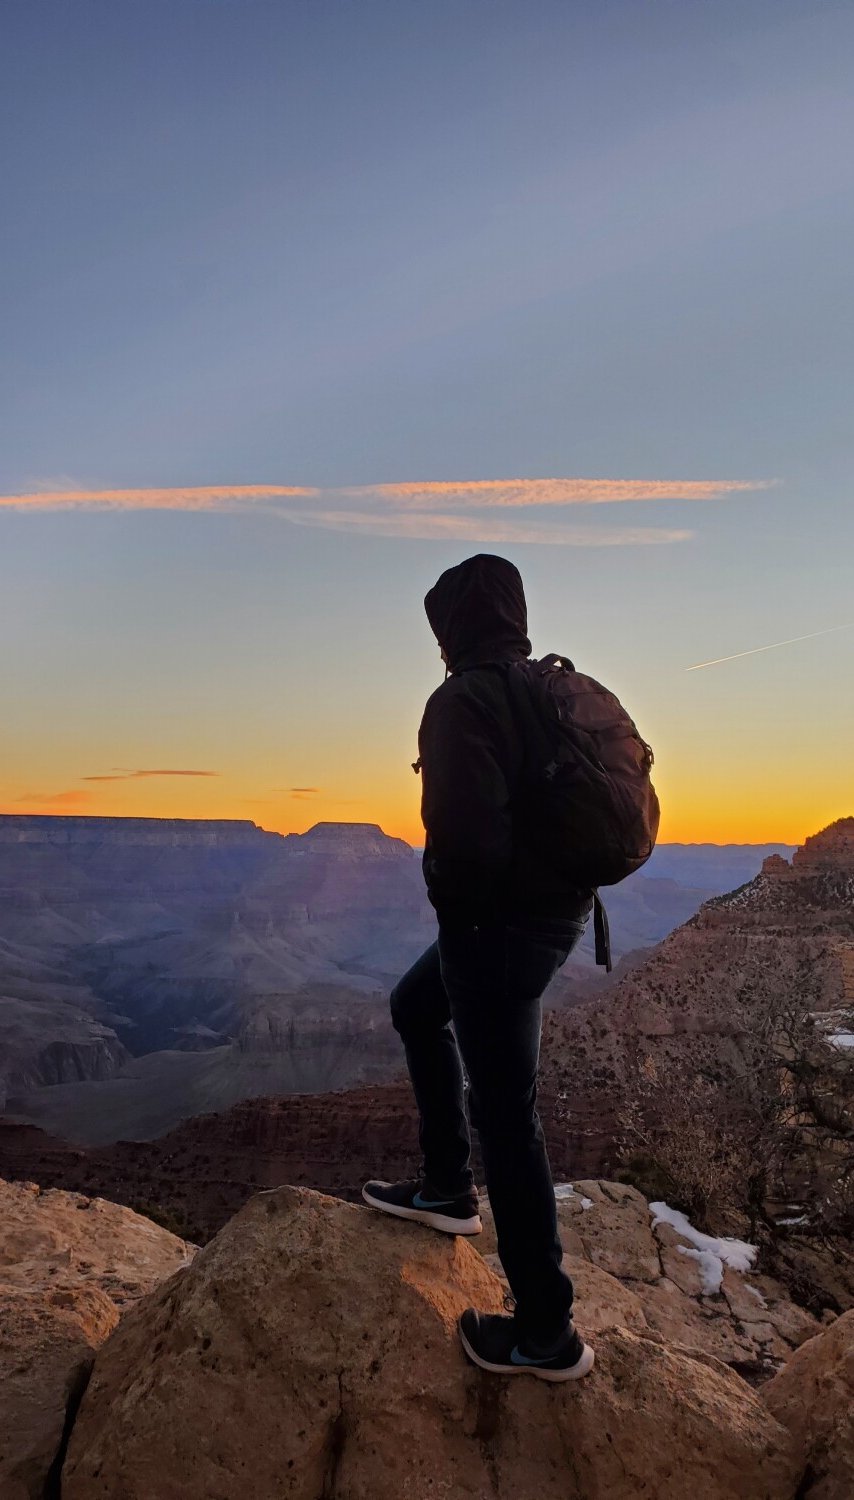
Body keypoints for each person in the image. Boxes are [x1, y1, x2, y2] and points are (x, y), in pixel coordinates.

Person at [362, 553, 595, 1382]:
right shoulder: (546, 688)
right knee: (414, 1007)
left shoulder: (463, 697)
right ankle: (444, 1186)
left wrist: (449, 906)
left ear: (451, 625)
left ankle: (545, 1333)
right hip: (555, 916)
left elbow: (461, 840)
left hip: (495, 927)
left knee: (507, 1115)